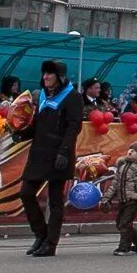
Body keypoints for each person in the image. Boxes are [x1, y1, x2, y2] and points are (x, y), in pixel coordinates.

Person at [14, 58, 85, 257]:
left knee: (55, 202)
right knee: (26, 193)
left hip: (59, 154)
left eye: (49, 74)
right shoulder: (44, 95)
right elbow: (38, 124)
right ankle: (40, 234)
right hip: (39, 153)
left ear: (59, 77)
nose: (45, 77)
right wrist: (22, 134)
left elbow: (74, 127)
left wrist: (64, 152)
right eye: (44, 74)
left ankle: (50, 243)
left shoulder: (72, 97)